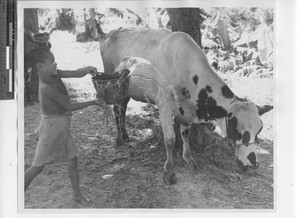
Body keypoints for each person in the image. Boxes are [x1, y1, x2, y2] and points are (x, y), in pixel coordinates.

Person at [25, 47, 101, 206]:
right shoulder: (46, 88)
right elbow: (68, 105)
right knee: (37, 167)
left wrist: (87, 69)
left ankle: (76, 194)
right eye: (52, 62)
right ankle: (15, 194)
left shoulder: (55, 73)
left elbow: (75, 73)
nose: (55, 64)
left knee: (72, 159)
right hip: (52, 128)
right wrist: (93, 102)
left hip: (62, 126)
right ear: (40, 67)